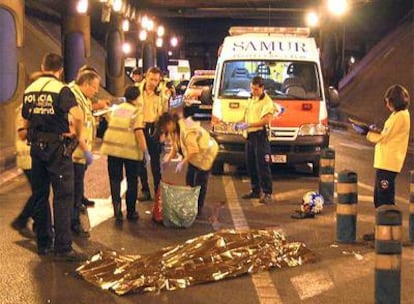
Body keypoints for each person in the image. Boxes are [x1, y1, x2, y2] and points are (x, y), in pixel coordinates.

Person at [21, 53, 89, 261]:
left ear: (42, 66)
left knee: (40, 195)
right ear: (60, 70)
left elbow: (25, 122)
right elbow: (78, 115)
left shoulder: (29, 90)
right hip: (57, 148)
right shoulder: (61, 89)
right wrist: (76, 134)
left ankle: (43, 243)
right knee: (62, 196)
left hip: (36, 147)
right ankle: (63, 246)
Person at [352, 84, 410, 241]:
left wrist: (366, 132)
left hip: (389, 163)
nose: (386, 105)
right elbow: (386, 133)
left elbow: (384, 137)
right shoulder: (397, 115)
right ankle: (381, 230)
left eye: (388, 101)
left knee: (385, 199)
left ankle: (388, 234)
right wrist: (371, 130)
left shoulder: (400, 116)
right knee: (379, 198)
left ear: (394, 101)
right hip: (385, 162)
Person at [100, 86, 147, 221]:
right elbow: (139, 132)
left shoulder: (116, 110)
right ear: (137, 98)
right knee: (132, 181)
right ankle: (131, 212)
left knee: (115, 180)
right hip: (130, 152)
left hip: (113, 151)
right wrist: (145, 152)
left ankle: (117, 211)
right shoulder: (136, 112)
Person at [160, 113, 218, 216]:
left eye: (165, 127)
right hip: (196, 156)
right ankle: (191, 204)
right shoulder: (175, 130)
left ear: (170, 123)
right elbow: (176, 146)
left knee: (199, 182)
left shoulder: (187, 131)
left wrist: (182, 162)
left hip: (206, 154)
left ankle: (198, 208)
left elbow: (193, 150)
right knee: (190, 179)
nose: (166, 131)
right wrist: (167, 160)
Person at [235, 76, 279, 205]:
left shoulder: (267, 102)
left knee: (262, 166)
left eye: (255, 89)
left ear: (262, 88)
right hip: (250, 136)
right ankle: (255, 190)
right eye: (252, 88)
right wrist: (239, 123)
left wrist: (249, 125)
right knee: (251, 164)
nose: (253, 91)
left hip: (260, 136)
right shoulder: (251, 98)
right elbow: (246, 114)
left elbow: (266, 120)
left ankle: (267, 193)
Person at [69, 69, 100, 237]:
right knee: (74, 190)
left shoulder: (83, 98)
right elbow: (74, 126)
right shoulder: (74, 97)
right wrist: (86, 149)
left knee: (76, 189)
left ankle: (72, 222)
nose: (96, 91)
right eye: (94, 87)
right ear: (86, 84)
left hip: (79, 153)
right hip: (74, 153)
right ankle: (73, 223)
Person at [136, 67, 165, 196]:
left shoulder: (161, 94)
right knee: (141, 160)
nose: (153, 82)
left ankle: (158, 190)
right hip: (140, 127)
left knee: (155, 162)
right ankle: (145, 189)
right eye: (151, 79)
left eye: (156, 80)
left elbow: (164, 114)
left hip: (154, 128)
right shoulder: (136, 90)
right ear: (146, 77)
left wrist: (163, 133)